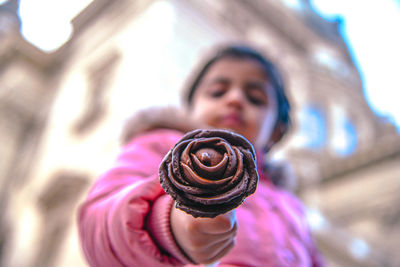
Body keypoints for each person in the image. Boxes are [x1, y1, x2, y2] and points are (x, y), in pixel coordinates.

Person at [78, 45, 325, 266]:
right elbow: (97, 224)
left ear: (276, 131)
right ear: (189, 109)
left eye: (255, 99)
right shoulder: (158, 146)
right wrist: (168, 227)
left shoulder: (290, 204)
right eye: (217, 92)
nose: (235, 99)